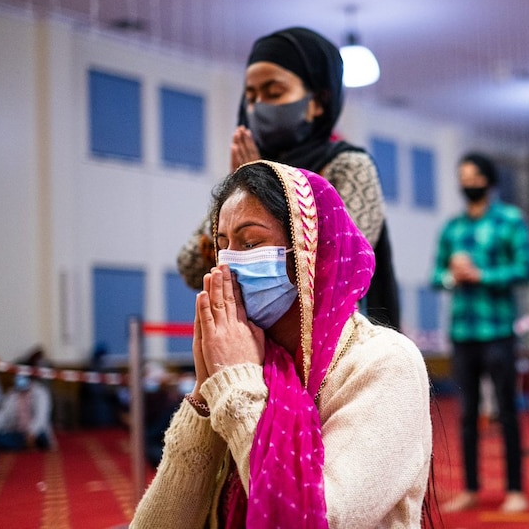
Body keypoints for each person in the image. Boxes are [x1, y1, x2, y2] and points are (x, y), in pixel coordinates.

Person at [133, 161, 432, 528]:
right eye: (223, 246)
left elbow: (323, 518)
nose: (228, 265)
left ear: (312, 253)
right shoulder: (251, 355)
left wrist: (238, 385)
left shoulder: (383, 362)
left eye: (251, 243)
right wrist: (204, 394)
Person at [178, 26, 400, 329]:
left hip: (331, 342)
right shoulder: (250, 168)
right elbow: (191, 267)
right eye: (251, 95)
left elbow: (341, 262)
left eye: (274, 92)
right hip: (253, 342)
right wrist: (244, 184)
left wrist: (259, 192)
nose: (257, 107)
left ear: (318, 101)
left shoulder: (348, 165)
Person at [431, 152, 529, 514]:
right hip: (463, 332)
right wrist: (452, 276)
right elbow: (436, 276)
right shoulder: (452, 227)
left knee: (507, 411)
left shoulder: (510, 220)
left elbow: (526, 269)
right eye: (463, 177)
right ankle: (471, 488)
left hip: (499, 331)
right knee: (466, 415)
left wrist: (482, 275)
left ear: (489, 181)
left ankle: (515, 489)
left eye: (474, 176)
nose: (468, 183)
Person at [0, 374, 55, 452]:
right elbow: (2, 415)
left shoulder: (40, 392)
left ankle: (29, 444)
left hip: (37, 432)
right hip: (18, 433)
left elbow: (41, 417)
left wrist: (31, 433)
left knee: (41, 437)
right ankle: (25, 445)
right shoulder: (12, 395)